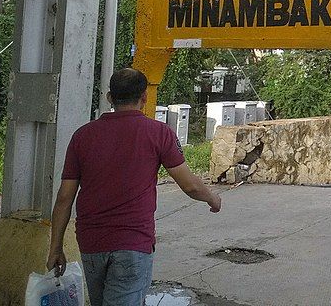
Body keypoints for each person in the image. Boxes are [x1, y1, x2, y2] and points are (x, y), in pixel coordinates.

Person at [46, 68, 222, 306]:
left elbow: (64, 198)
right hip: (133, 244)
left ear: (110, 97)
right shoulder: (159, 133)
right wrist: (212, 198)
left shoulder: (83, 136)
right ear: (144, 97)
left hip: (91, 242)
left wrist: (55, 247)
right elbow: (190, 186)